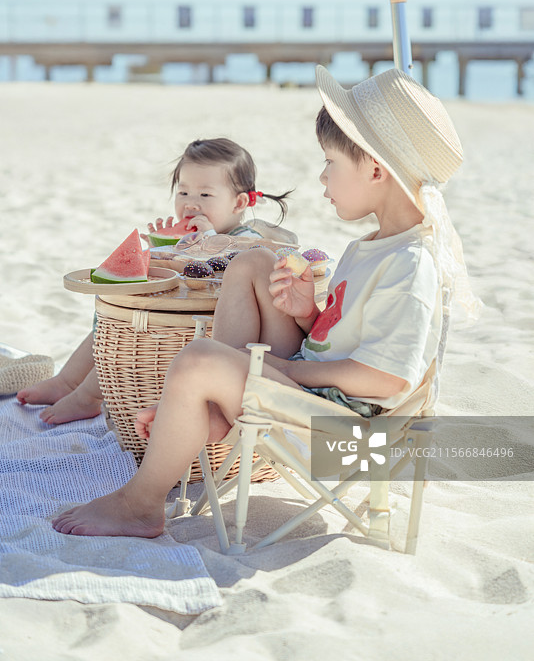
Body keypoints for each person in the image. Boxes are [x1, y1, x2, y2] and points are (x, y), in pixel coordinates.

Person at [51, 66, 479, 538]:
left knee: (197, 359)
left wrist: (284, 371)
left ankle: (141, 503)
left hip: (346, 429)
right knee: (254, 261)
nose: (321, 177)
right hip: (322, 389)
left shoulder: (409, 263)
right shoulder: (372, 246)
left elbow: (385, 376)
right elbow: (343, 339)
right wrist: (308, 314)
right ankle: (216, 402)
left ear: (376, 169)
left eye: (330, 163)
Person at [17, 137, 292, 425]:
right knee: (110, 322)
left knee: (128, 335)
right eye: (183, 192)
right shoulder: (195, 230)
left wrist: (207, 241)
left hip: (203, 331)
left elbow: (225, 269)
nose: (190, 204)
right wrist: (164, 247)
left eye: (205, 196)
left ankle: (87, 397)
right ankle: (66, 381)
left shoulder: (247, 240)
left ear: (239, 202)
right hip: (172, 316)